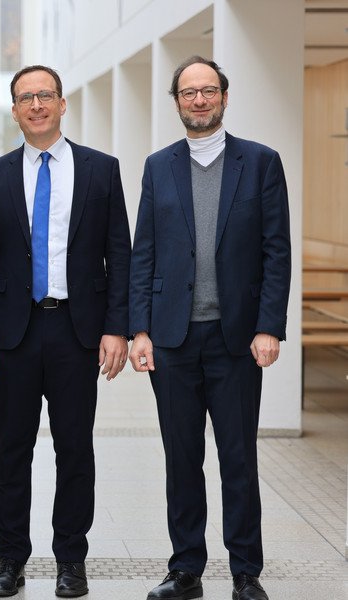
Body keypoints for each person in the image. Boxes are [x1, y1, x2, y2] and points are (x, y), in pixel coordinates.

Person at [129, 56, 290, 600]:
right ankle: (186, 570)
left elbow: (276, 252)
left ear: (224, 96)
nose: (199, 100)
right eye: (188, 92)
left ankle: (246, 571)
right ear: (175, 101)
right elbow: (143, 253)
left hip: (237, 338)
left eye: (208, 90)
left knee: (238, 458)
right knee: (182, 458)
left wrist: (269, 326)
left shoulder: (261, 163)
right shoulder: (158, 166)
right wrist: (140, 331)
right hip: (172, 338)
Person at [0, 65, 131, 598]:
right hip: (13, 334)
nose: (35, 105)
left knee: (74, 450)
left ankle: (71, 561)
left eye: (44, 95)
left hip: (77, 331)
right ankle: (10, 558)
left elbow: (120, 256)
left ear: (62, 104)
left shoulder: (101, 171)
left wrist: (117, 329)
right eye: (24, 98)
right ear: (13, 110)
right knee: (11, 451)